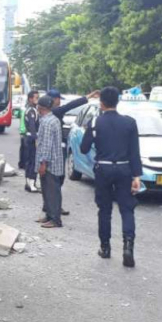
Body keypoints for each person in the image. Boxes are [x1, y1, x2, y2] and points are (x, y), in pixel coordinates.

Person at [80, 87, 142, 268]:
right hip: (124, 169)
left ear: (101, 103)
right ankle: (128, 248)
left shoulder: (95, 122)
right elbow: (134, 152)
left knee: (104, 210)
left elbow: (84, 148)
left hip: (104, 169)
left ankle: (105, 248)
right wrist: (136, 176)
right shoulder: (130, 123)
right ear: (117, 102)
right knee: (127, 209)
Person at [43, 89, 101, 216]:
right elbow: (71, 105)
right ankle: (53, 208)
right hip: (54, 152)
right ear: (53, 99)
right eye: (58, 99)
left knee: (53, 180)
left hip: (54, 151)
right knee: (56, 180)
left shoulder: (48, 112)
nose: (60, 102)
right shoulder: (54, 112)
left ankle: (51, 206)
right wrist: (88, 96)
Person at [34, 95, 64, 228]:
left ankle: (55, 219)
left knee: (52, 191)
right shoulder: (54, 119)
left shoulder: (46, 123)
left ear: (40, 108)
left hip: (49, 164)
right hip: (56, 161)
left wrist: (43, 163)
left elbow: (46, 145)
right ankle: (49, 215)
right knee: (48, 190)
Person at [23, 91, 40, 192]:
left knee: (30, 161)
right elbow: (33, 127)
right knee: (33, 161)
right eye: (36, 98)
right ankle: (31, 184)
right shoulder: (31, 111)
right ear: (30, 99)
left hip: (29, 137)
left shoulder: (32, 110)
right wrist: (36, 140)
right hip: (31, 138)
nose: (37, 99)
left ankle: (29, 183)